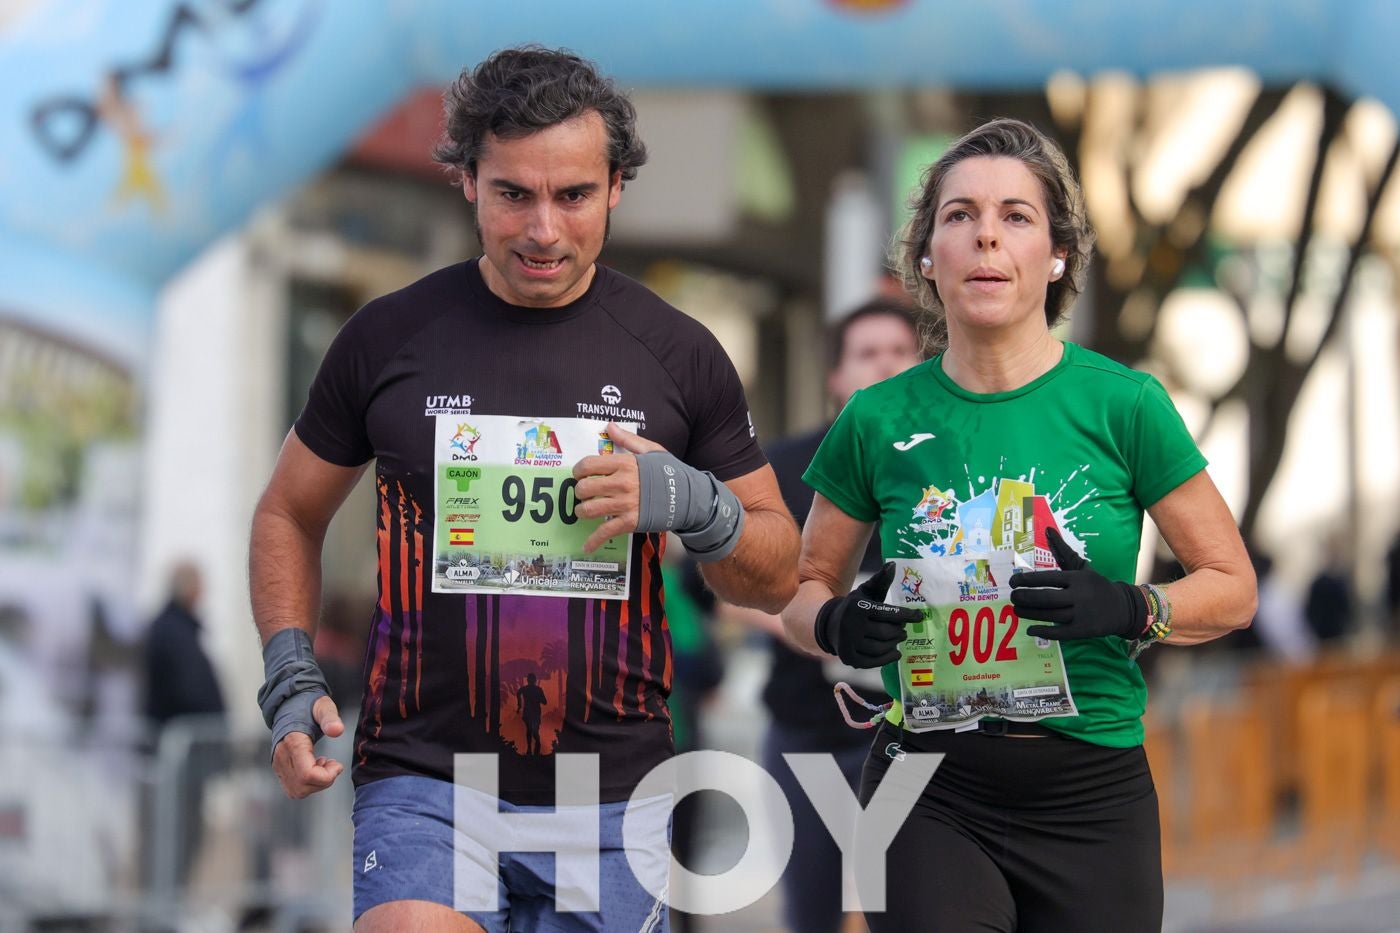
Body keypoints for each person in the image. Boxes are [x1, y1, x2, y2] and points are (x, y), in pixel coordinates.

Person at [248, 46, 799, 933]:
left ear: (617, 185)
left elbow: (775, 572)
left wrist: (694, 503)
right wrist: (286, 667)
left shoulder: (679, 353)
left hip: (613, 793)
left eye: (573, 195)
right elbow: (288, 509)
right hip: (424, 778)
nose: (543, 229)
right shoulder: (387, 337)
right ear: (467, 180)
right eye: (514, 194)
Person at [780, 118, 1256, 932]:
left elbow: (1234, 588)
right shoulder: (877, 418)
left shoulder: (1124, 405)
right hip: (926, 783)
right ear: (928, 256)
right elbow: (798, 592)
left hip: (1090, 793)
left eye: (1016, 216)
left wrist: (1133, 607)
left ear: (1058, 254)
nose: (986, 237)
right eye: (959, 216)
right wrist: (836, 622)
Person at [744, 296, 921, 933]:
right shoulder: (787, 469)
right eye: (867, 354)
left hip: (921, 736)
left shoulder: (947, 462)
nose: (884, 366)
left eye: (900, 353)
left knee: (908, 908)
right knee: (815, 908)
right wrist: (821, 627)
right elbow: (727, 582)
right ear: (835, 376)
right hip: (809, 727)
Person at [141, 562, 227, 887]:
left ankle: (168, 905)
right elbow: (188, 691)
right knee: (173, 837)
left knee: (180, 837)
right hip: (179, 759)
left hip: (185, 758)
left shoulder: (176, 629)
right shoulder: (173, 632)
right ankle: (163, 909)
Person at [515, 673, 547, 756]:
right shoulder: (538, 689)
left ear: (528, 680)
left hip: (528, 712)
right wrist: (537, 698)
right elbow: (544, 702)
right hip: (535, 713)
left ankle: (530, 748)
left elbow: (518, 693)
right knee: (534, 731)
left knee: (529, 730)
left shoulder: (525, 689)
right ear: (535, 680)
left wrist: (519, 705)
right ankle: (535, 747)